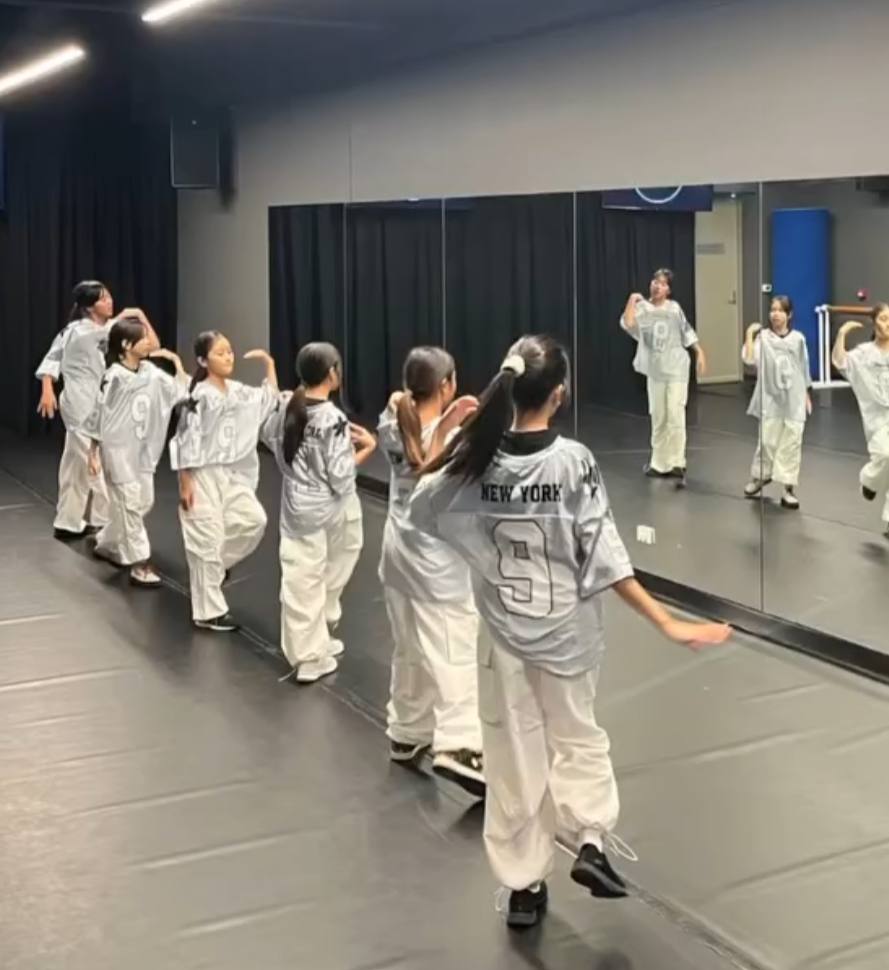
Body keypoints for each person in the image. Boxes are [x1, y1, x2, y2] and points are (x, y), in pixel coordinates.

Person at [408, 335, 730, 931]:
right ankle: (590, 839)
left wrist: (456, 450)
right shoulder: (572, 461)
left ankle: (524, 885)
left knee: (513, 755)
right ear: (559, 394)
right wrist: (665, 621)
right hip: (568, 637)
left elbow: (424, 505)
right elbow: (605, 559)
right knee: (578, 738)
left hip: (505, 639)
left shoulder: (478, 461)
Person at [378, 347, 486, 798]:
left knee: (410, 650)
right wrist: (456, 421)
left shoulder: (392, 422)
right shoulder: (458, 439)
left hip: (398, 555)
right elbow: (435, 465)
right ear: (445, 386)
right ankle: (461, 745)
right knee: (453, 650)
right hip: (436, 566)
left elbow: (419, 441)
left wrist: (450, 419)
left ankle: (407, 730)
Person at [265, 342, 376, 684]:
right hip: (327, 508)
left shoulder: (287, 408)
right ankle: (310, 656)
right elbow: (341, 478)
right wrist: (367, 449)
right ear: (332, 373)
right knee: (315, 575)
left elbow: (271, 441)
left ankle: (317, 635)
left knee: (306, 576)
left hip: (298, 508)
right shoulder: (332, 419)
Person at [170, 332, 279, 631]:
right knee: (206, 537)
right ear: (204, 360)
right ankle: (208, 612)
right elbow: (185, 439)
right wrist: (185, 482)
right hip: (202, 471)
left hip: (232, 473)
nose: (229, 357)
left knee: (252, 520)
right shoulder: (199, 396)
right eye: (220, 353)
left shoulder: (237, 390)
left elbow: (266, 399)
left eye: (230, 351)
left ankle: (217, 568)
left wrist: (269, 365)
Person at [35, 282, 155, 538]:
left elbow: (140, 342)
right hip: (80, 400)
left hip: (95, 398)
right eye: (103, 299)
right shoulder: (80, 331)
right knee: (93, 462)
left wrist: (47, 386)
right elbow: (54, 357)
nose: (110, 302)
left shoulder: (89, 330)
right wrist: (47, 387)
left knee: (75, 465)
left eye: (110, 296)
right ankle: (104, 520)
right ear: (90, 307)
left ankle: (68, 520)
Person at [83, 316, 186, 586]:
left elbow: (179, 391)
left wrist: (176, 363)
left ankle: (108, 541)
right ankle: (140, 564)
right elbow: (98, 413)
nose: (149, 341)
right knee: (129, 504)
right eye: (143, 338)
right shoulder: (114, 377)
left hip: (143, 451)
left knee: (142, 502)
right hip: (118, 451)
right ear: (127, 345)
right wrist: (92, 452)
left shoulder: (151, 372)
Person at [620, 268, 706, 486]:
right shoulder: (642, 309)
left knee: (675, 413)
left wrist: (699, 351)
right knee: (658, 415)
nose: (657, 286)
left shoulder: (674, 309)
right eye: (655, 282)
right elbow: (628, 323)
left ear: (668, 290)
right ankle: (659, 463)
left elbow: (686, 331)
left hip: (676, 368)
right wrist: (632, 300)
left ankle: (677, 461)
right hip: (656, 370)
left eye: (662, 283)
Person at [742, 295, 811, 509]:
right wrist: (749, 334)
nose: (775, 314)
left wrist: (807, 393)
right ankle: (761, 477)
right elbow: (749, 360)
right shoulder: (763, 338)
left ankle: (788, 489)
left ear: (789, 315)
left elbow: (803, 367)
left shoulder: (797, 339)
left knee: (791, 443)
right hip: (770, 398)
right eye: (773, 309)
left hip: (793, 399)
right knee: (767, 440)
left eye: (781, 310)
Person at [832, 303, 889, 537]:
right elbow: (840, 362)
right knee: (887, 455)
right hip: (877, 419)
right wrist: (842, 334)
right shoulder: (864, 353)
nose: (888, 323)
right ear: (874, 322)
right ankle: (869, 480)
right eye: (884, 318)